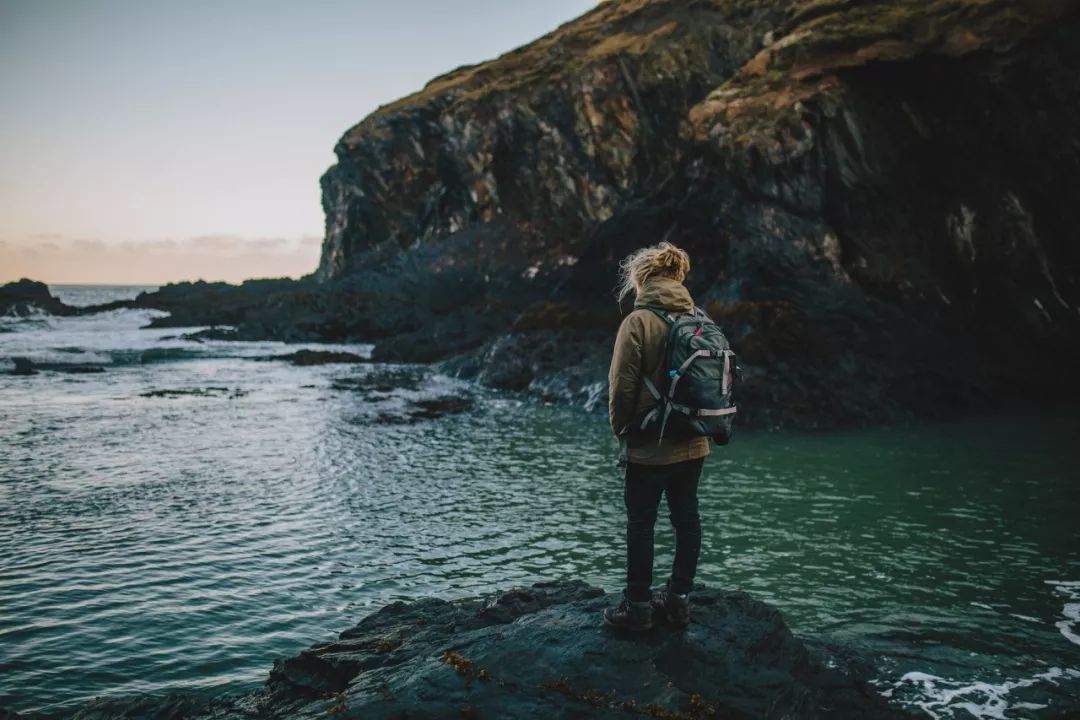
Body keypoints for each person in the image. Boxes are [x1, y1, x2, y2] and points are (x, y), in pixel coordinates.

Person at [603, 241, 709, 632]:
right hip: (695, 441)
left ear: (642, 278)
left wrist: (623, 431)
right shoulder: (699, 317)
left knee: (641, 524)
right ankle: (679, 601)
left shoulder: (637, 321)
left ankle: (639, 608)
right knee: (687, 519)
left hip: (649, 445)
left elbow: (621, 387)